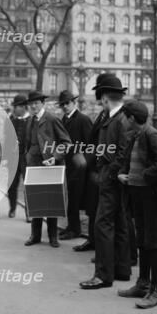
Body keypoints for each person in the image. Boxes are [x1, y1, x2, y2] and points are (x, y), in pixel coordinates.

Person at [116, 100, 157, 308]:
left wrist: (144, 175)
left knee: (154, 242)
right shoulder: (136, 135)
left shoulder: (151, 134)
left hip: (152, 196)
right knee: (143, 240)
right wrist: (125, 175)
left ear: (131, 118)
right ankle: (142, 284)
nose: (122, 120)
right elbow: (133, 162)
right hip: (139, 195)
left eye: (124, 116)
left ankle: (156, 290)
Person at [80, 75, 131, 289]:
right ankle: (121, 269)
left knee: (103, 225)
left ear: (104, 98)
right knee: (119, 223)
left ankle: (102, 275)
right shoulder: (119, 117)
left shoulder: (117, 120)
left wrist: (107, 174)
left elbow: (122, 151)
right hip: (115, 178)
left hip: (110, 179)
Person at [23, 90, 71, 247]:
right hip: (34, 167)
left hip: (50, 166)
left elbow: (66, 143)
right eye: (31, 104)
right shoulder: (30, 121)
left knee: (51, 201)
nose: (34, 106)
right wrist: (28, 157)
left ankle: (52, 237)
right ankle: (35, 236)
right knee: (35, 199)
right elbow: (28, 143)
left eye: (36, 103)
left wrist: (55, 157)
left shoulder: (51, 119)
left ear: (43, 103)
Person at [74, 73, 114, 253]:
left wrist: (87, 157)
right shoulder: (102, 115)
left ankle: (107, 249)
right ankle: (92, 240)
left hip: (106, 171)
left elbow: (107, 146)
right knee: (92, 207)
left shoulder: (115, 116)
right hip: (95, 170)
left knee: (106, 213)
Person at [58, 90, 92, 240]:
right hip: (68, 165)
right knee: (70, 197)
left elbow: (92, 144)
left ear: (74, 103)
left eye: (67, 103)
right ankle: (71, 226)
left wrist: (84, 159)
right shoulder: (63, 120)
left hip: (80, 166)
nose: (65, 106)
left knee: (76, 198)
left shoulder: (83, 120)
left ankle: (75, 229)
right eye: (62, 104)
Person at [7, 94, 30, 218]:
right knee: (12, 185)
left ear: (23, 107)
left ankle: (28, 213)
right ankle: (12, 208)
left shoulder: (31, 120)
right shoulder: (11, 121)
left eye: (16, 107)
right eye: (15, 107)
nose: (14, 109)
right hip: (13, 158)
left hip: (26, 159)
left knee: (28, 186)